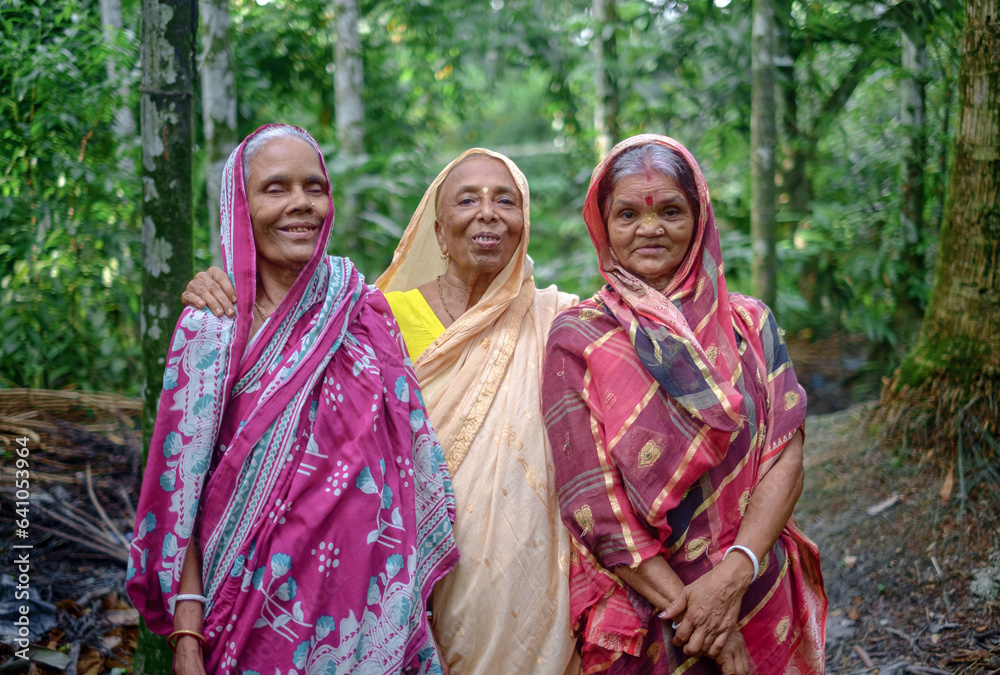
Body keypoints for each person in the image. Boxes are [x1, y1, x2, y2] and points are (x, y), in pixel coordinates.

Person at [181, 149, 582, 674]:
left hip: (515, 591)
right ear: (438, 233)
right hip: (381, 584)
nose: (487, 212)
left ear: (524, 224)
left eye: (505, 200)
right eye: (468, 199)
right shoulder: (371, 314)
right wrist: (223, 283)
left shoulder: (565, 321)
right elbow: (288, 343)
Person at [127, 124, 459, 675]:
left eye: (314, 187)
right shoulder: (210, 329)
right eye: (276, 188)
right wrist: (187, 632)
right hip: (247, 619)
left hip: (368, 616)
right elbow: (179, 491)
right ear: (240, 203)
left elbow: (409, 467)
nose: (301, 204)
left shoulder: (363, 312)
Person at [541, 135, 827, 675]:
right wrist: (706, 623)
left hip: (757, 586)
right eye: (627, 213)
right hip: (653, 610)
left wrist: (732, 577)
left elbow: (785, 455)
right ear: (603, 225)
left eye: (670, 210)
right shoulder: (579, 337)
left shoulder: (750, 324)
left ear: (698, 219)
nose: (649, 229)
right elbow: (592, 504)